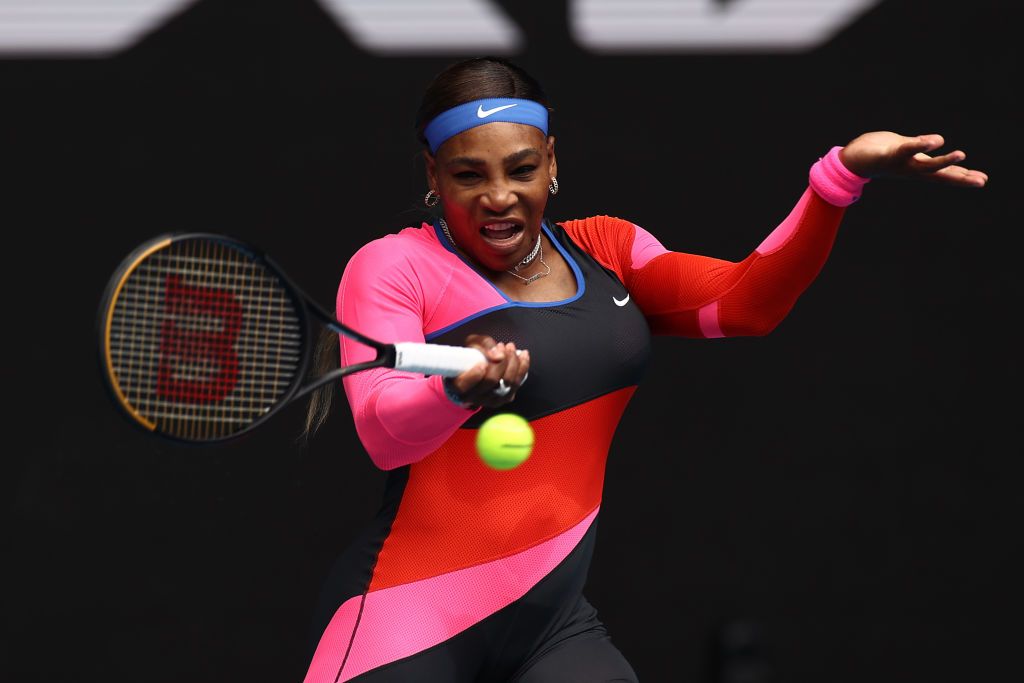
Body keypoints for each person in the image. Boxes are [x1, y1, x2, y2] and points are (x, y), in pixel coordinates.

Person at [299, 56, 987, 683]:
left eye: (521, 168)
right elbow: (385, 431)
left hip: (554, 629)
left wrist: (839, 179)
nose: (499, 196)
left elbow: (746, 304)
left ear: (551, 161)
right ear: (432, 175)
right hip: (402, 620)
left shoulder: (607, 249)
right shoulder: (393, 265)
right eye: (468, 175)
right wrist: (456, 390)